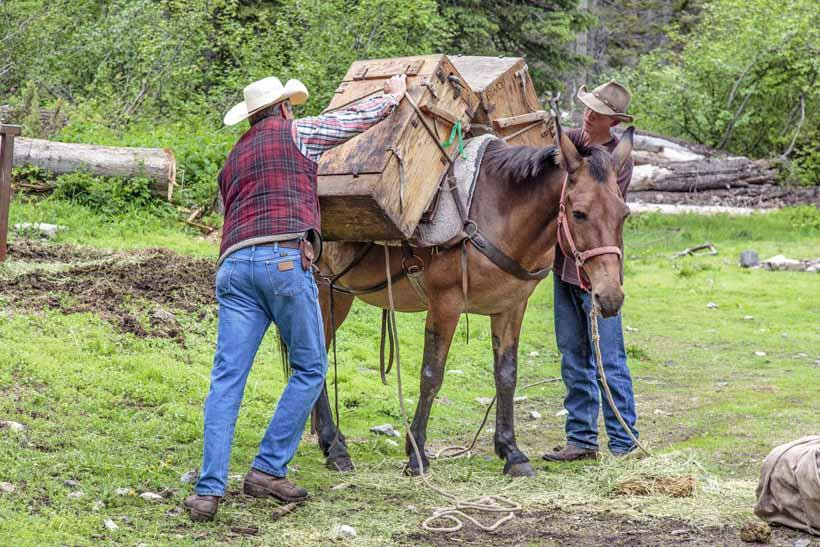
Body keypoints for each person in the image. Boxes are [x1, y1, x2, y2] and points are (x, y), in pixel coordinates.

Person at [184, 74, 407, 522]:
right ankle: (267, 468)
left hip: (232, 268)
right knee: (309, 367)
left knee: (227, 380)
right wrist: (392, 96)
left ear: (251, 116)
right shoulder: (298, 133)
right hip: (283, 262)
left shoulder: (233, 158)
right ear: (284, 108)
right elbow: (352, 120)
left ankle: (208, 491)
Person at [543, 80, 640, 462]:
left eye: (597, 112)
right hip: (566, 263)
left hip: (598, 267)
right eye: (586, 107)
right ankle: (581, 438)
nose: (588, 115)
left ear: (613, 121)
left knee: (609, 359)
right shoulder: (573, 141)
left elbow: (601, 211)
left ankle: (624, 443)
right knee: (572, 353)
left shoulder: (617, 160)